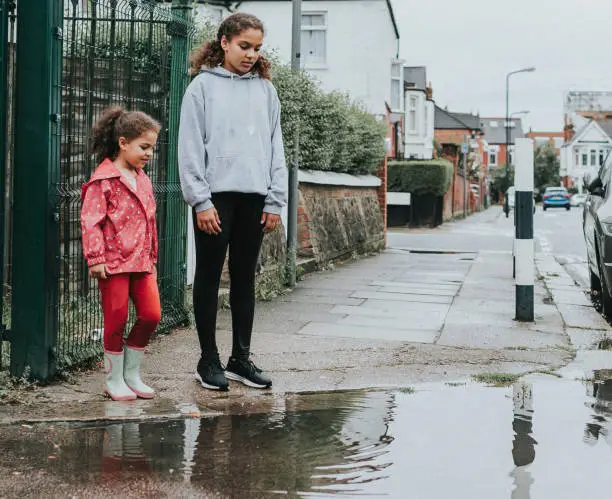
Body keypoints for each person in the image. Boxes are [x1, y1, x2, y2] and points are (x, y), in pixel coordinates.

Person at [178, 12, 288, 391]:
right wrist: (200, 200)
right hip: (215, 197)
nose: (251, 54)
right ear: (224, 42)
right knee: (208, 276)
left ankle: (240, 359)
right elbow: (189, 147)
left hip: (255, 197)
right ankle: (207, 359)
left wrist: (275, 200)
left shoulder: (265, 90)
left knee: (244, 278)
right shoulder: (201, 88)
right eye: (244, 46)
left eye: (257, 48)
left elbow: (275, 146)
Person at [81, 107, 162, 401]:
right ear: (123, 142)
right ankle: (114, 379)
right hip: (113, 262)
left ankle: (131, 374)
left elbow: (150, 220)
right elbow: (91, 221)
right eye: (144, 147)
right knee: (116, 318)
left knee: (151, 315)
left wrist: (152, 253)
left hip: (142, 261)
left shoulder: (143, 179)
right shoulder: (103, 180)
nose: (149, 153)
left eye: (152, 147)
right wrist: (96, 258)